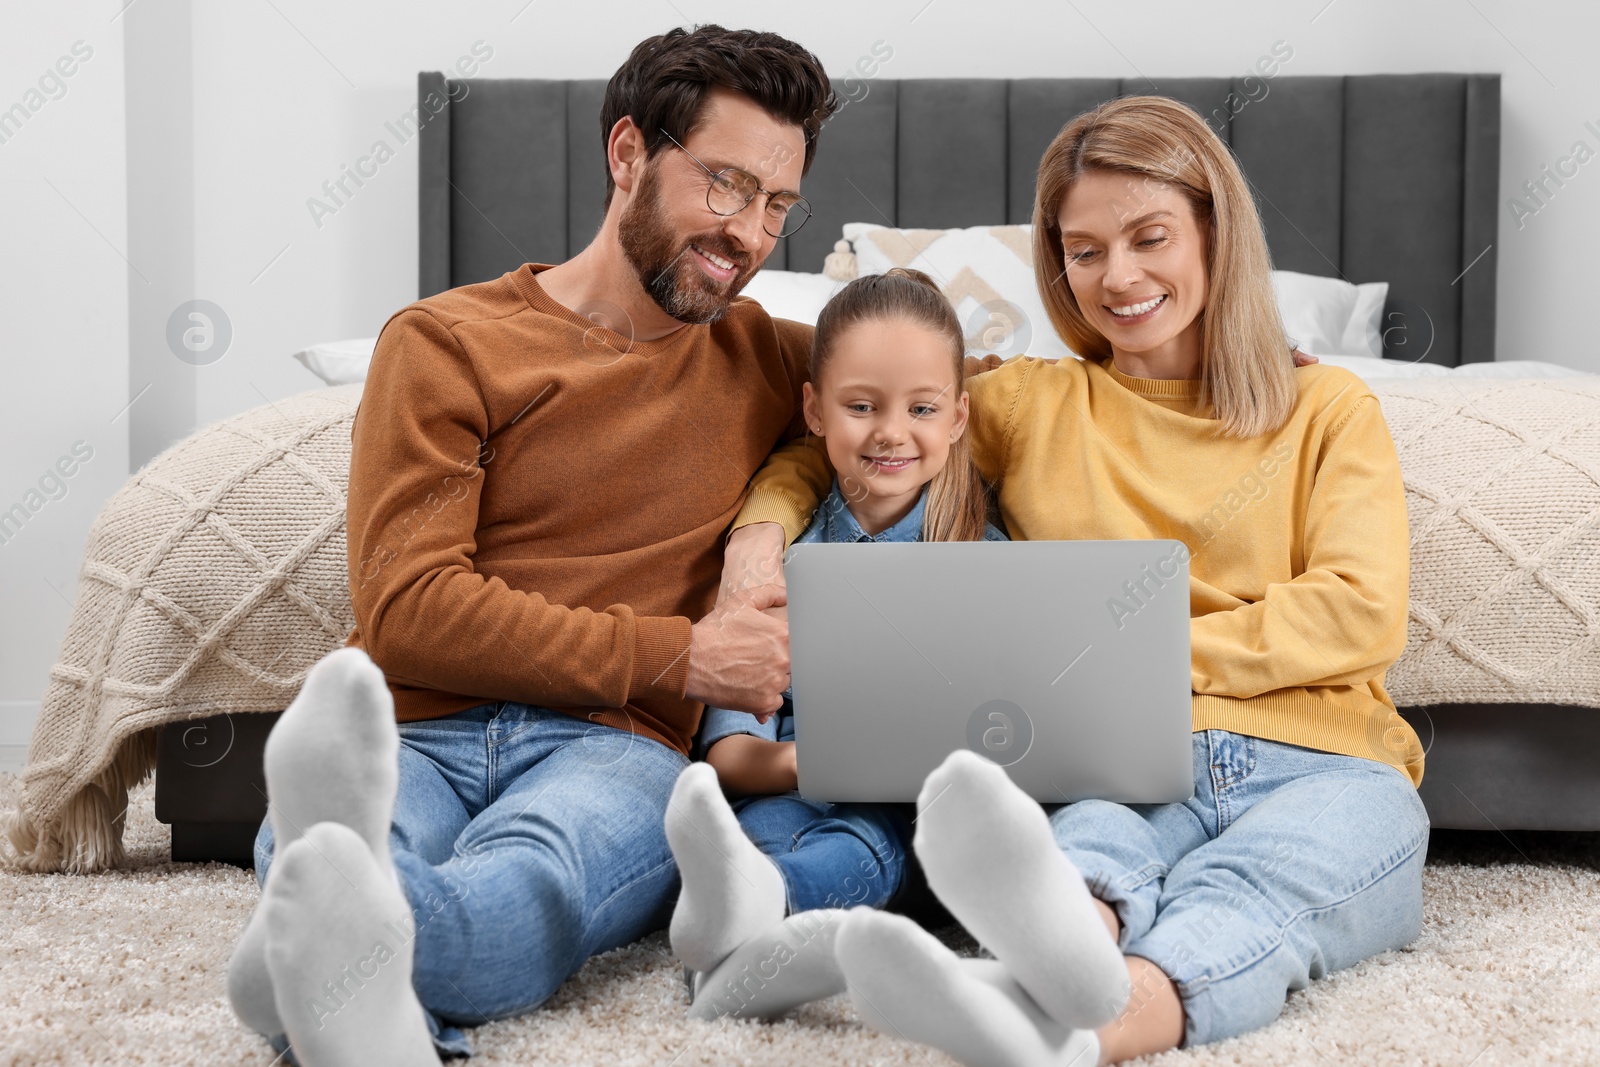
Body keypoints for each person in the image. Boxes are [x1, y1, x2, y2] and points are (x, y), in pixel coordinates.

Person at [722, 95, 1429, 1067]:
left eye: (1149, 237)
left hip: (1327, 759)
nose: (1118, 276)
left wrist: (1131, 656)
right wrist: (757, 536)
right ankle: (1026, 981)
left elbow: (1358, 610)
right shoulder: (1024, 401)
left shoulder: (1326, 404)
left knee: (1258, 891)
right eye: (1083, 249)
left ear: (1215, 232)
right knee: (1080, 867)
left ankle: (1080, 1033)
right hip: (1120, 758)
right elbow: (864, 435)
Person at [222, 26, 838, 1066]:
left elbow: (937, 406)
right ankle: (347, 967)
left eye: (778, 205)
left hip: (614, 743)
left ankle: (302, 974)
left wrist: (762, 530)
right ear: (629, 153)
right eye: (726, 186)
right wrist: (685, 654)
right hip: (416, 722)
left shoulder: (775, 357)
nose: (749, 235)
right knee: (338, 848)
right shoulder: (446, 342)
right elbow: (411, 608)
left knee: (535, 882)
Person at [664, 268, 1008, 1023]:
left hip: (919, 818)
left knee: (870, 841)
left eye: (921, 408)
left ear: (957, 418)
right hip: (789, 786)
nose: (890, 432)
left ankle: (762, 916)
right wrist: (804, 762)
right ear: (815, 411)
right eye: (861, 406)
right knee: (758, 836)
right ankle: (745, 915)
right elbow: (730, 753)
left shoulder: (986, 552)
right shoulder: (779, 564)